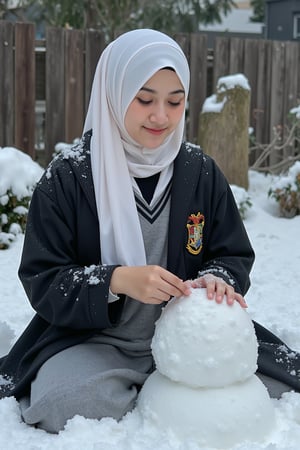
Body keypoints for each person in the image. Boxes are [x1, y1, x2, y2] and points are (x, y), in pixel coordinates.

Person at [0, 28, 299, 434]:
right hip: (96, 343)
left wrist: (219, 279)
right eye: (144, 100)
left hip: (188, 341)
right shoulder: (69, 177)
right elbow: (43, 277)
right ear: (114, 95)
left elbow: (231, 253)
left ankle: (157, 388)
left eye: (175, 101)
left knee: (280, 384)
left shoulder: (199, 171)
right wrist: (116, 280)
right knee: (61, 403)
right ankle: (159, 394)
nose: (161, 116)